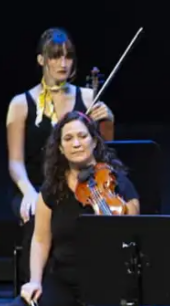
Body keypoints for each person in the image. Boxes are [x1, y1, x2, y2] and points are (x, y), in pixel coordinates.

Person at [0, 111, 139, 306]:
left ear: (94, 141)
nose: (77, 143)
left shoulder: (116, 181)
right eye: (69, 138)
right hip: (64, 279)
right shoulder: (53, 189)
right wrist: (34, 280)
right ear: (60, 148)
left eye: (82, 136)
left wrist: (106, 211)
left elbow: (133, 229)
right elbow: (40, 238)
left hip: (106, 278)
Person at [6, 27, 114, 283]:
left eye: (68, 57)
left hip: (81, 184)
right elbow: (15, 162)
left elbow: (106, 150)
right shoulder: (20, 104)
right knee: (35, 216)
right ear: (41, 60)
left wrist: (108, 120)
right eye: (55, 57)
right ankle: (37, 287)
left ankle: (94, 282)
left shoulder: (88, 97)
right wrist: (30, 193)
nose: (63, 63)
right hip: (36, 186)